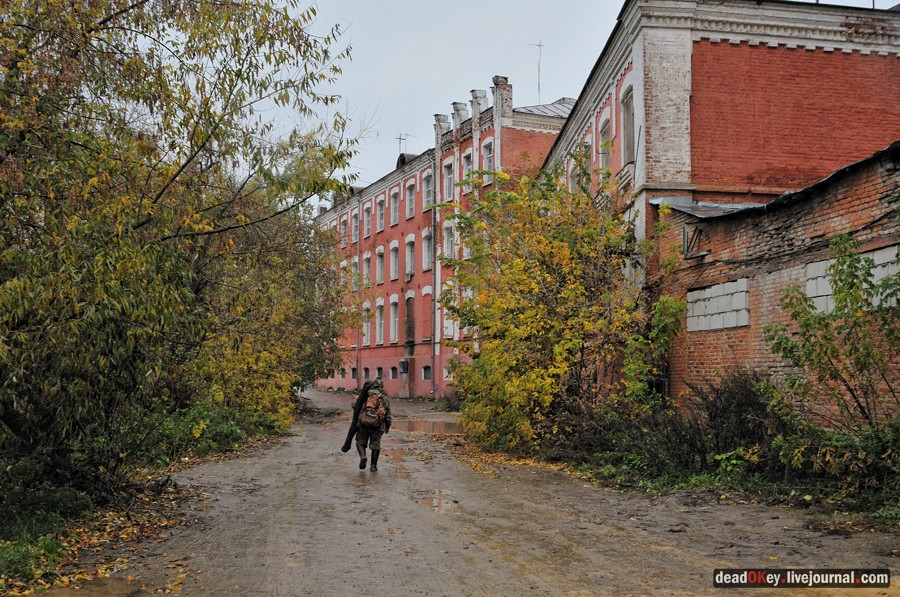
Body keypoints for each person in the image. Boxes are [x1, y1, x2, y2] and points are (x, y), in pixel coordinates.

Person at [352, 376, 391, 472]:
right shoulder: (383, 398)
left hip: (363, 424)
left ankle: (363, 456)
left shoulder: (365, 395)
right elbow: (388, 415)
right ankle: (373, 466)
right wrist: (387, 427)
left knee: (360, 442)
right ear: (381, 387)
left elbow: (354, 405)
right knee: (375, 445)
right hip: (377, 426)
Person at [341, 380, 373, 453]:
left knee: (353, 431)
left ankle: (347, 445)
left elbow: (354, 405)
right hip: (372, 420)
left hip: (358, 418)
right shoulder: (374, 397)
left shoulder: (362, 395)